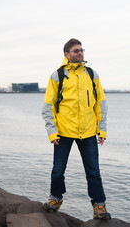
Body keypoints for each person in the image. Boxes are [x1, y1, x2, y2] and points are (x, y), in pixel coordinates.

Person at [42, 38, 111, 219]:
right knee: (58, 170)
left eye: (81, 50)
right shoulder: (57, 75)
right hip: (63, 132)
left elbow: (100, 104)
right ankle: (55, 199)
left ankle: (99, 205)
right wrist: (52, 132)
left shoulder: (91, 74)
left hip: (88, 131)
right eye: (76, 51)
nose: (80, 53)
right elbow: (48, 107)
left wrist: (101, 130)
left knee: (93, 171)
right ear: (67, 54)